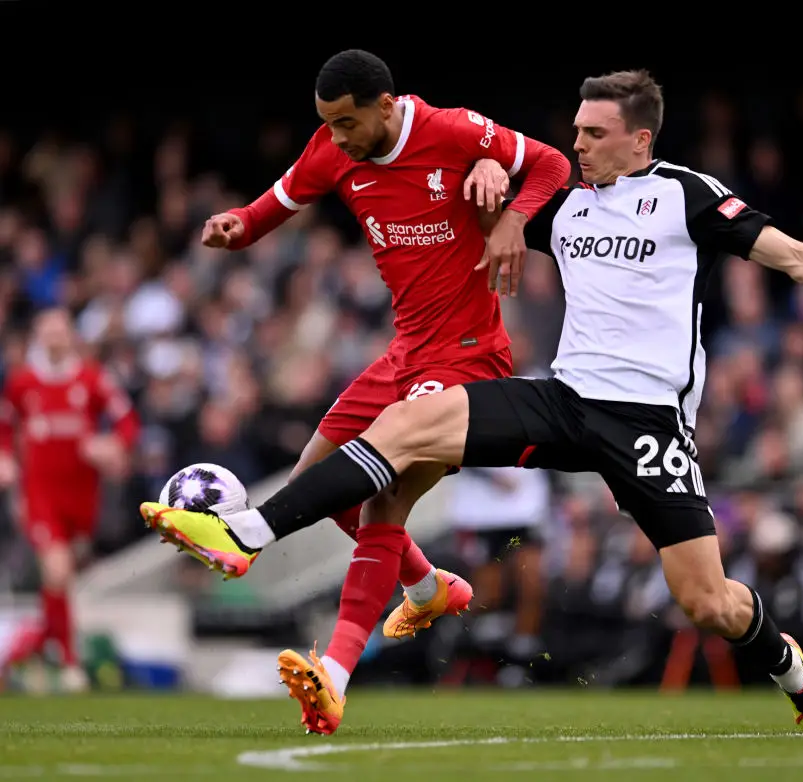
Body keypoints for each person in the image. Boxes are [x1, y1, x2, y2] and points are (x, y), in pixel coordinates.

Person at [142, 68, 803, 734]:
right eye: (574, 129)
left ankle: (791, 670)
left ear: (640, 139)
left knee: (706, 602)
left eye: (594, 133)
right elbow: (475, 192)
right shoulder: (565, 203)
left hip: (647, 422)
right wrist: (492, 174)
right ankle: (249, 531)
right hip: (566, 399)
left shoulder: (683, 195)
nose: (575, 143)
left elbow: (789, 257)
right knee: (405, 427)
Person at [146, 49, 569, 732]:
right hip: (402, 353)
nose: (337, 137)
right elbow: (277, 202)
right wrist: (238, 225)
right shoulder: (333, 149)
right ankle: (427, 587)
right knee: (320, 481)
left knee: (381, 498)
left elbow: (551, 162)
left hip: (465, 357)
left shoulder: (455, 132)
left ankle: (334, 671)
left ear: (385, 104)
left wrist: (515, 216)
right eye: (328, 125)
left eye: (346, 122)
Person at [0, 307, 139, 691]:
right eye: (48, 331)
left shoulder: (92, 379)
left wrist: (112, 444)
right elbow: (4, 424)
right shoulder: (23, 382)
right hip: (39, 494)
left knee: (59, 584)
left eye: (61, 331)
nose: (55, 338)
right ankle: (69, 662)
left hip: (82, 497)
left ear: (71, 335)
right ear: (38, 337)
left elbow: (127, 420)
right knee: (57, 572)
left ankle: (20, 652)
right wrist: (6, 459)